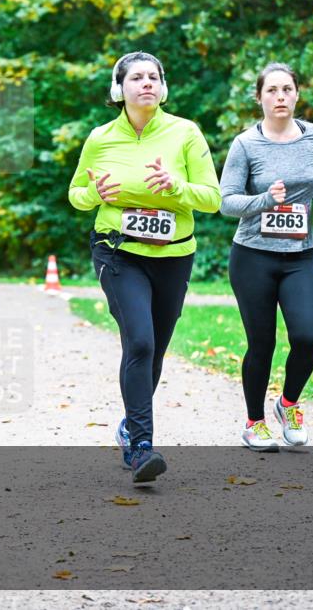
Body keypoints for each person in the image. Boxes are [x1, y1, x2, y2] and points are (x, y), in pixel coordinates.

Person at [68, 51, 220, 482]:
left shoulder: (185, 133)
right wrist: (95, 194)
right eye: (136, 77)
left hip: (173, 256)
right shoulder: (100, 138)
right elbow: (76, 194)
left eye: (154, 76)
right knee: (140, 342)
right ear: (119, 89)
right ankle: (141, 448)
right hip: (118, 251)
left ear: (163, 87)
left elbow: (212, 198)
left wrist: (177, 186)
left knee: (155, 350)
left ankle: (129, 425)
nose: (147, 83)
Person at [220, 62, 313, 452]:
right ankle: (255, 423)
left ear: (297, 95)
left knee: (308, 337)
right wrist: (267, 199)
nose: (280, 96)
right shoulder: (245, 144)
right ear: (259, 98)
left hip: (300, 255)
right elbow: (226, 202)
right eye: (272, 90)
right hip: (253, 256)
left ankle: (288, 404)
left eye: (287, 89)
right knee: (261, 343)